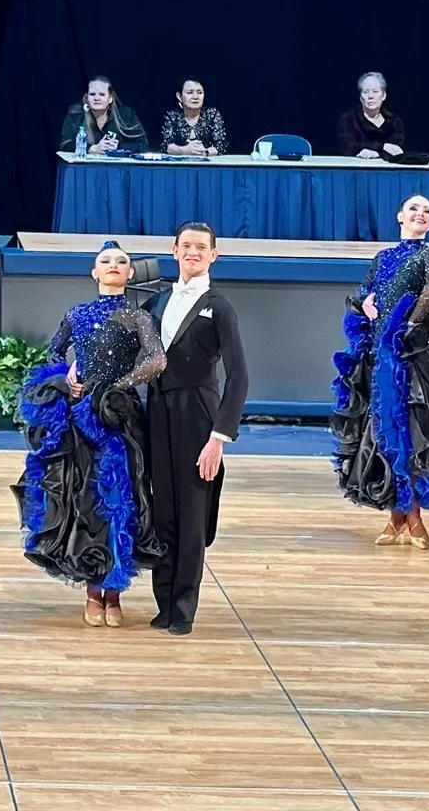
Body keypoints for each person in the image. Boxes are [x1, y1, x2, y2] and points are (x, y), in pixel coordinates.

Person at [15, 242, 165, 626]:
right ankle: (92, 591)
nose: (113, 266)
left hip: (119, 416)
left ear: (130, 274)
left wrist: (123, 385)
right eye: (105, 262)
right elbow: (52, 354)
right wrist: (65, 378)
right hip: (81, 418)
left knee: (121, 497)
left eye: (121, 262)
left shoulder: (138, 318)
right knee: (86, 499)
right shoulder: (77, 314)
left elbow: (156, 358)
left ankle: (114, 593)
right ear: (94, 273)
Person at [140, 222, 248, 634]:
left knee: (191, 514)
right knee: (162, 508)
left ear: (213, 255)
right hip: (158, 411)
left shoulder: (219, 307)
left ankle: (183, 608)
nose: (193, 252)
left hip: (198, 413)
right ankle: (163, 602)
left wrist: (218, 439)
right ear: (174, 250)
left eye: (201, 247)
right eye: (186, 245)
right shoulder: (157, 303)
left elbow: (239, 377)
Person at [330, 195, 429, 548]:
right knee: (384, 434)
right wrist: (365, 301)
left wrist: (410, 322)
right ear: (400, 216)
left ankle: (413, 518)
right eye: (414, 209)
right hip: (379, 357)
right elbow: (366, 291)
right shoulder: (383, 257)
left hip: (411, 355)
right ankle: (398, 516)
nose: (421, 214)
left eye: (427, 211)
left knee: (411, 433)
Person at [59, 76, 149, 157]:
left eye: (102, 94)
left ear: (110, 98)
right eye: (92, 94)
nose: (96, 98)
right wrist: (91, 148)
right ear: (86, 98)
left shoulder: (125, 115)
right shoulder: (76, 114)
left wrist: (117, 147)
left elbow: (142, 144)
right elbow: (64, 144)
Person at [337, 71, 408, 159]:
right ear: (360, 97)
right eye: (365, 92)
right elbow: (346, 147)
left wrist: (377, 154)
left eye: (375, 91)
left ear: (383, 96)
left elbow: (397, 151)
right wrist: (383, 146)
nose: (370, 96)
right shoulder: (348, 119)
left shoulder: (394, 122)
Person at [161, 79, 228, 157]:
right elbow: (166, 146)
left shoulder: (212, 114)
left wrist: (203, 153)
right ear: (179, 97)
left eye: (199, 92)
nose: (195, 97)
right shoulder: (173, 115)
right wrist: (184, 150)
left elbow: (220, 146)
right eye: (190, 92)